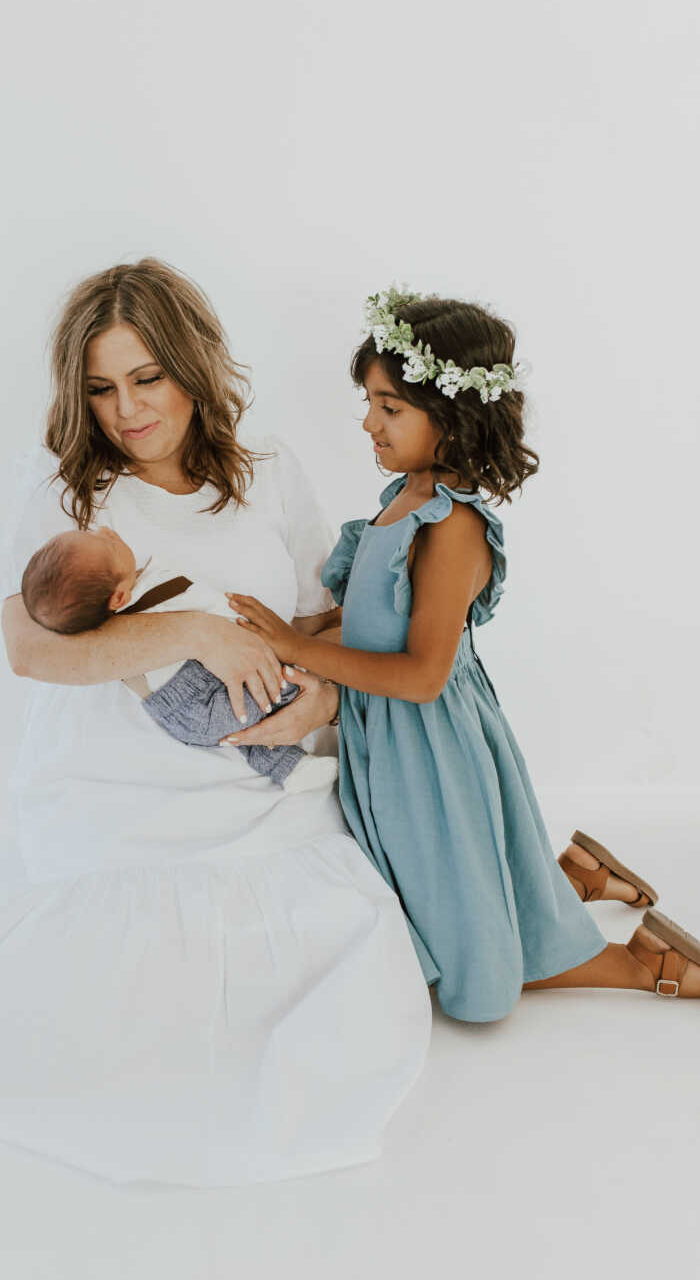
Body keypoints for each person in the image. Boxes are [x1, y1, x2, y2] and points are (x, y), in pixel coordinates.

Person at [0, 260, 431, 1186]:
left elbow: (327, 625)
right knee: (120, 1002)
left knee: (335, 955)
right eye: (101, 388)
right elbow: (33, 651)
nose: (128, 411)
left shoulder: (268, 474)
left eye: (148, 378)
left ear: (192, 367)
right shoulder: (71, 493)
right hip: (118, 791)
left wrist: (326, 696)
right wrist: (191, 630)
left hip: (261, 780)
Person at [228, 284, 700, 1022]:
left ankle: (643, 963)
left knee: (465, 961)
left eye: (390, 407)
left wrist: (298, 645)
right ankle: (569, 882)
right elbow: (367, 620)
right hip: (384, 735)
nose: (368, 422)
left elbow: (420, 675)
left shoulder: (453, 528)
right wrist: (278, 640)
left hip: (427, 744)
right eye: (370, 402)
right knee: (441, 890)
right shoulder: (406, 493)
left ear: (451, 416)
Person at [19, 526, 339, 791]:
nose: (107, 530)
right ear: (118, 597)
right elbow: (221, 620)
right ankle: (299, 707)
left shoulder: (114, 612)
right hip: (199, 696)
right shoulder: (152, 595)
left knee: (245, 729)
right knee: (274, 684)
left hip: (181, 712)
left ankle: (290, 767)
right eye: (107, 542)